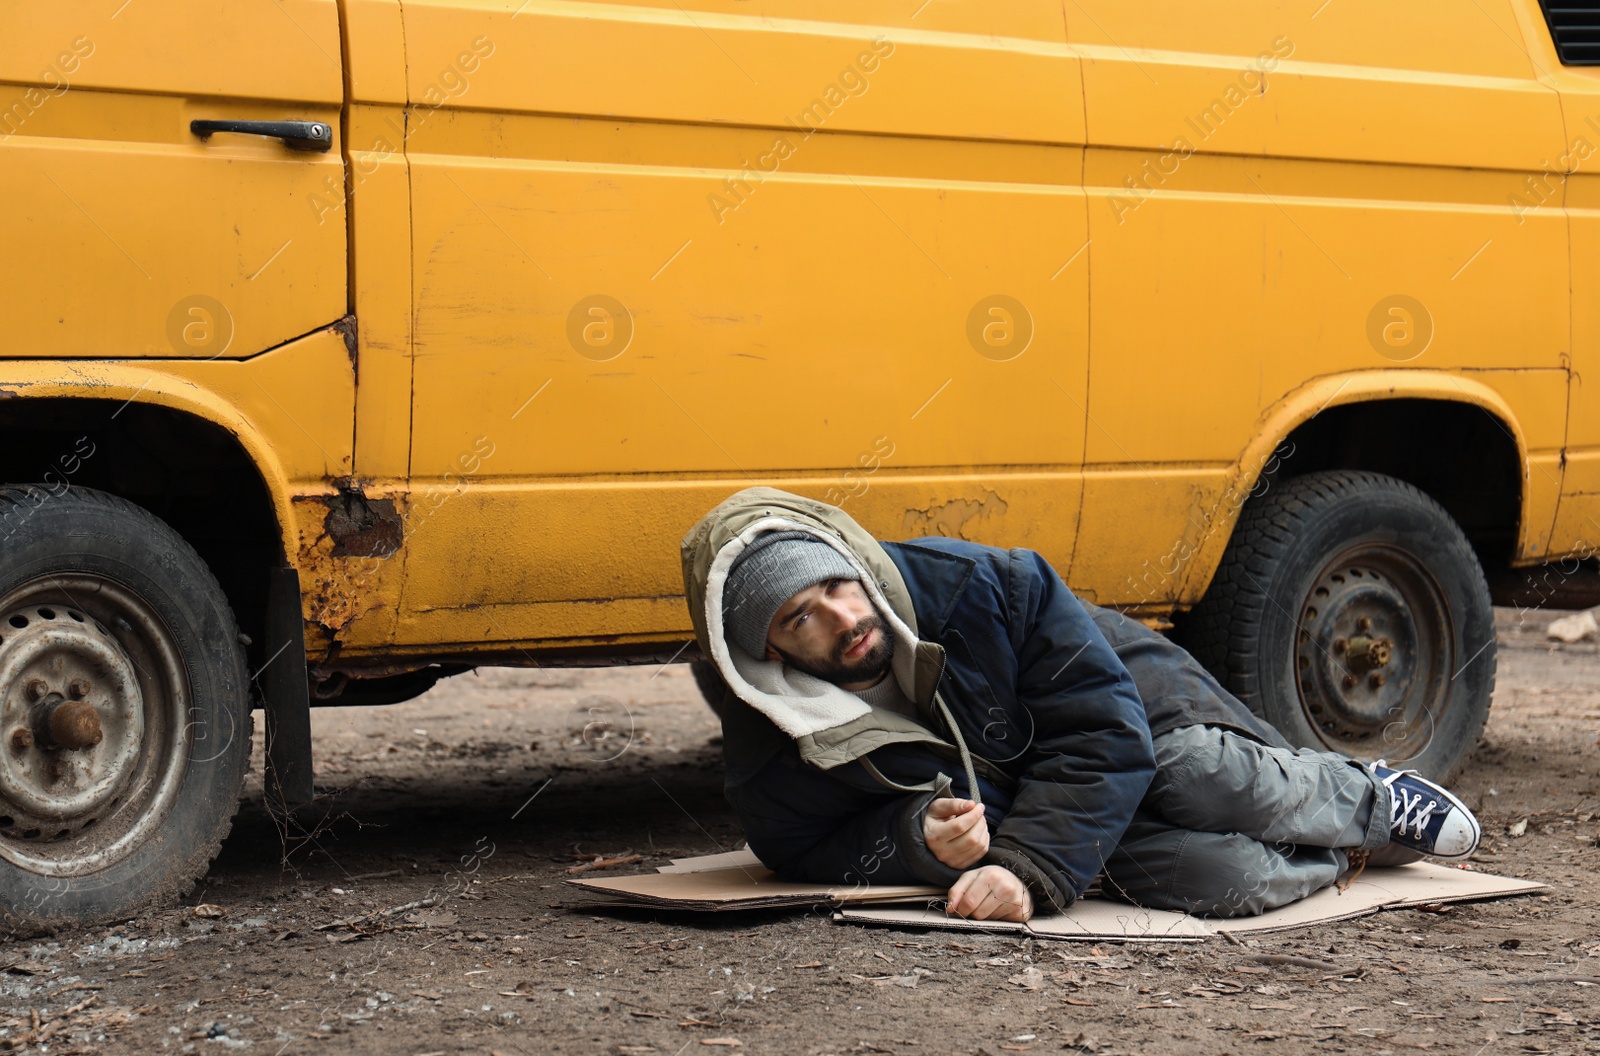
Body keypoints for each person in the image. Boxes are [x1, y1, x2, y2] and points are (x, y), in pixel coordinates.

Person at [679, 487, 1481, 921]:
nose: (843, 619)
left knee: (1196, 778)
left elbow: (1104, 731)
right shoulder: (772, 738)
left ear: (855, 566)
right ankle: (1348, 854)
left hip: (1147, 722)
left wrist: (1027, 867)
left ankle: (1372, 797)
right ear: (770, 652)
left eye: (836, 586)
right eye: (800, 618)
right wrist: (913, 841)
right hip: (1060, 813)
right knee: (1218, 876)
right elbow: (793, 844)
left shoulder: (985, 584)